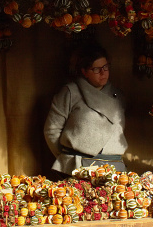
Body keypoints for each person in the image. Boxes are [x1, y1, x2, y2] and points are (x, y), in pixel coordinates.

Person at [44, 45, 127, 178]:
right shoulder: (70, 92)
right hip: (78, 166)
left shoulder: (117, 95)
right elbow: (51, 130)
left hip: (114, 167)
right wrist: (67, 157)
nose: (103, 72)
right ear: (84, 72)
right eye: (96, 69)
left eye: (105, 67)